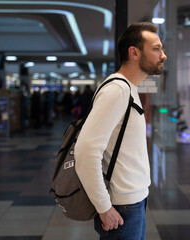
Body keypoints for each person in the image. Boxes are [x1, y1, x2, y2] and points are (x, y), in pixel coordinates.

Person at [74, 22, 167, 240]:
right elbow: (86, 152)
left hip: (133, 202)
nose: (163, 55)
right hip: (123, 207)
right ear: (134, 53)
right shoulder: (117, 90)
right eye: (156, 49)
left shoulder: (129, 89)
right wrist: (104, 206)